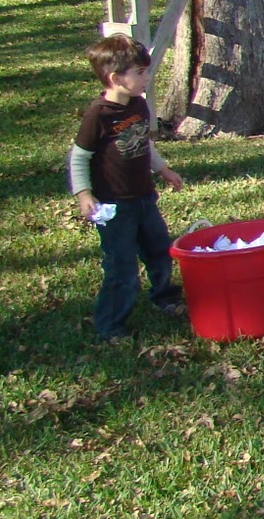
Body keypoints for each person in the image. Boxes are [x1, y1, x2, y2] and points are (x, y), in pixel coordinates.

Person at [68, 34, 186, 342]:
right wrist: (84, 194)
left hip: (144, 198)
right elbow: (80, 157)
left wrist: (162, 169)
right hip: (113, 206)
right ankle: (110, 325)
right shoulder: (98, 115)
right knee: (121, 267)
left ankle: (165, 297)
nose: (147, 77)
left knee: (159, 250)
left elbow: (143, 142)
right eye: (141, 72)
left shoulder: (138, 105)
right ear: (116, 78)